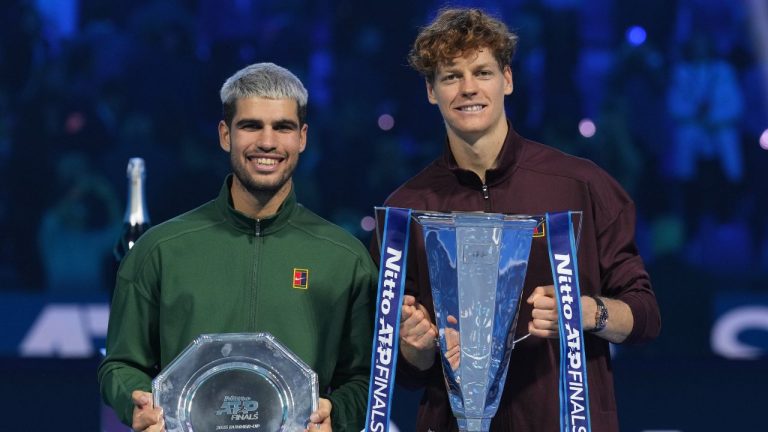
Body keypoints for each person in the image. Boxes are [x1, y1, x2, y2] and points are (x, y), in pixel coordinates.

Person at [374, 8, 661, 431]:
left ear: (507, 80)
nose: (468, 89)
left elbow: (646, 317)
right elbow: (410, 371)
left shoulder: (580, 185)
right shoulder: (406, 209)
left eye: (482, 73)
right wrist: (415, 345)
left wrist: (583, 311)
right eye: (451, 76)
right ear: (431, 91)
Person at [98, 62, 377, 432]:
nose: (267, 141)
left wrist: (337, 414)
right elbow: (119, 364)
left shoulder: (345, 258)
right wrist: (136, 402)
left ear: (302, 138)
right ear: (225, 134)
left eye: (283, 127)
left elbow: (367, 378)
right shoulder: (160, 250)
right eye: (251, 126)